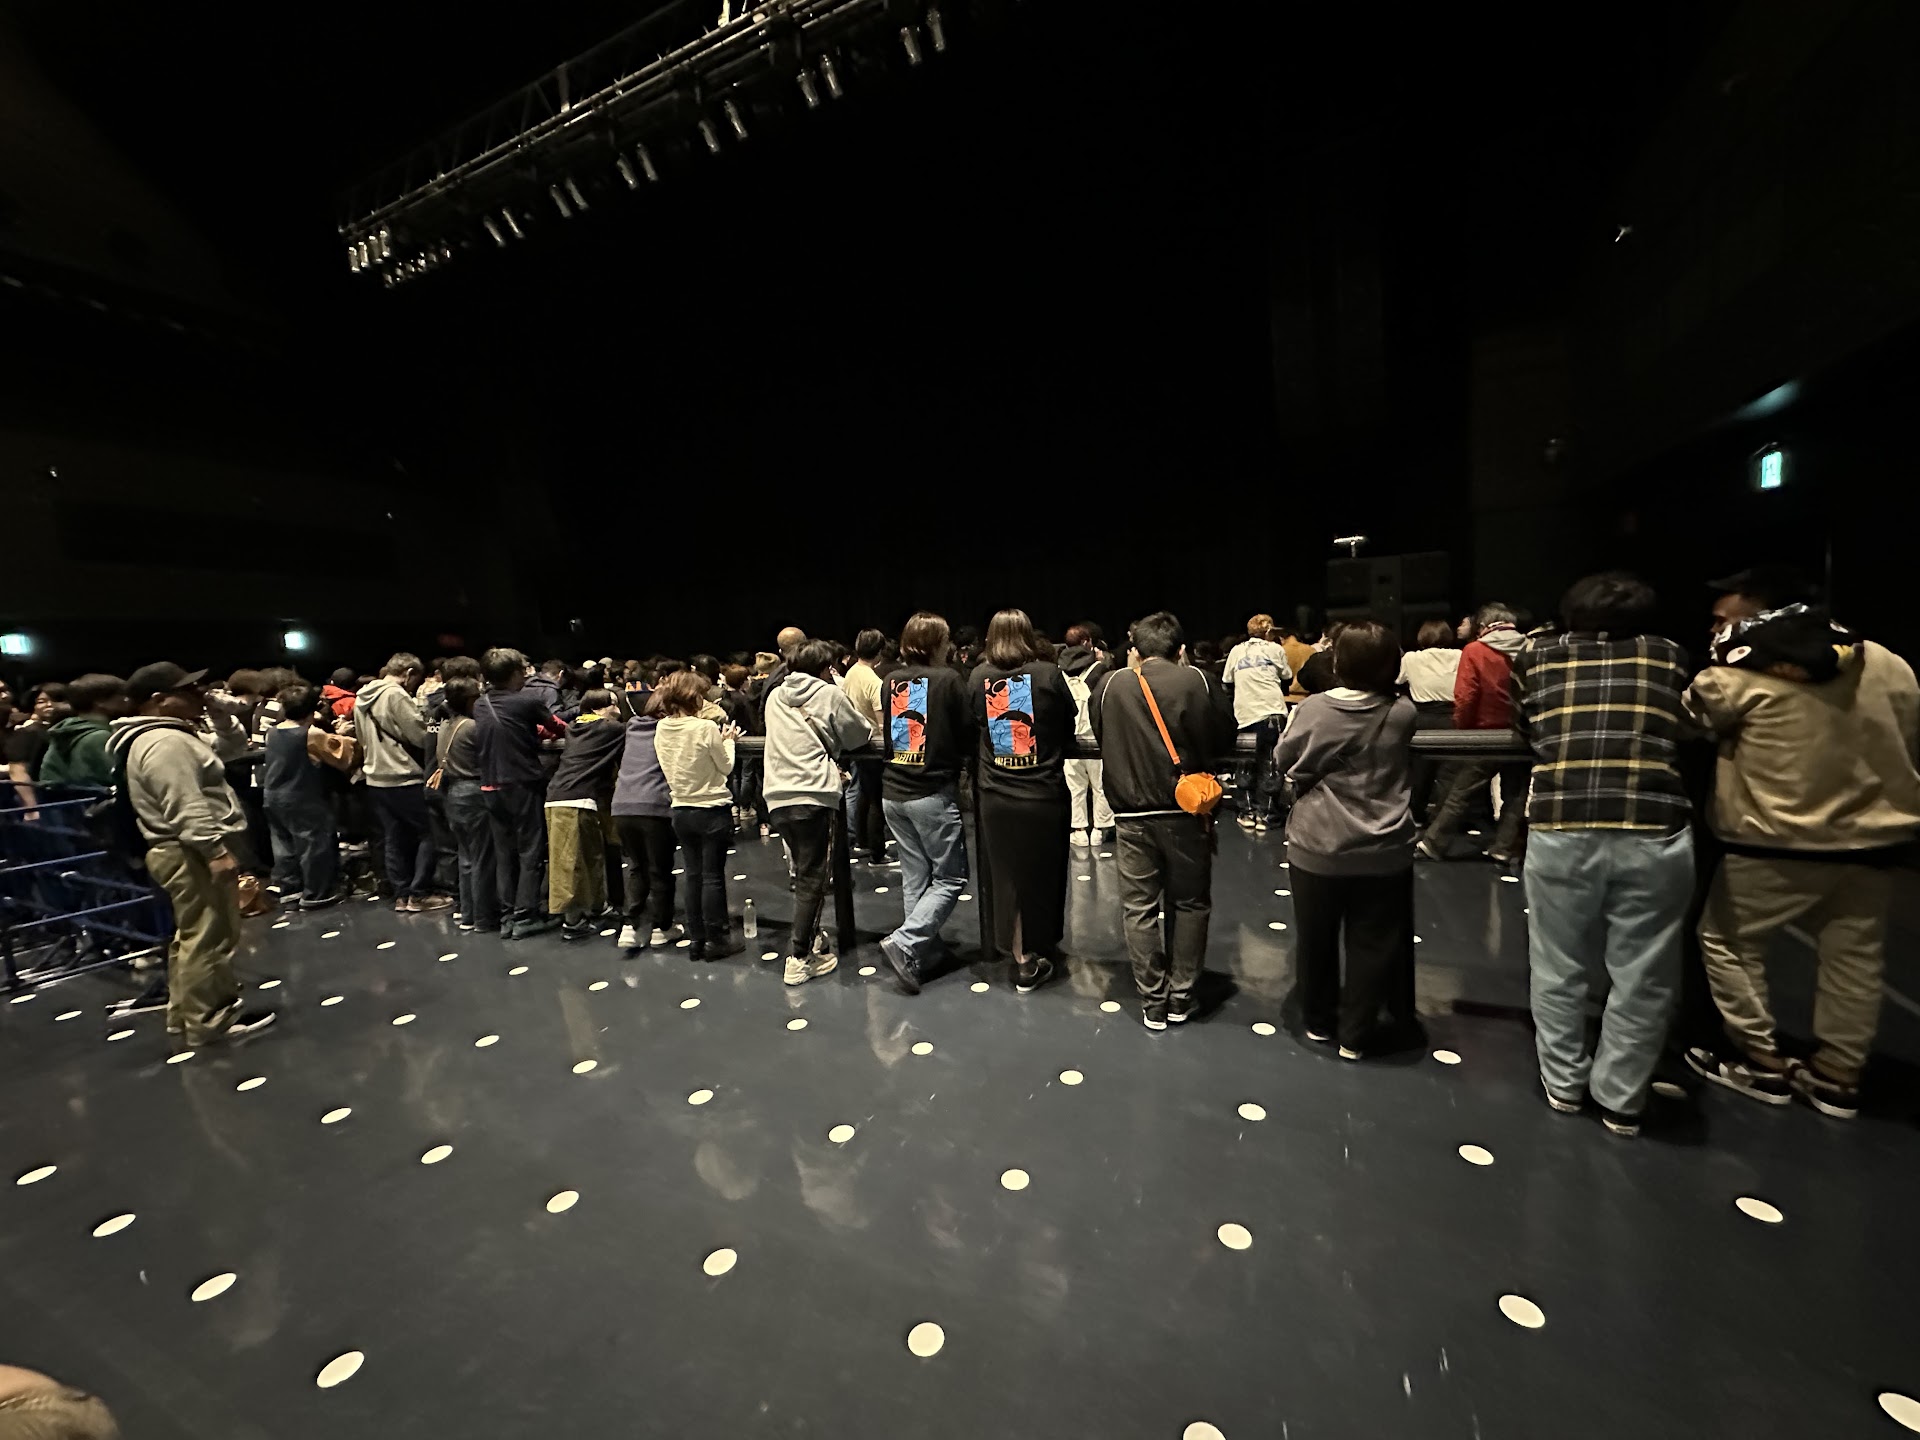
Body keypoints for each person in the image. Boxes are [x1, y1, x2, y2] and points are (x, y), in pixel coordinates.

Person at [1684, 594, 1920, 1120]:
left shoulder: (1734, 676)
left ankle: (1759, 1059)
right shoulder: (1885, 661)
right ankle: (1838, 1074)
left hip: (1773, 840)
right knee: (1854, 959)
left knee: (1728, 942)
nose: (1715, 630)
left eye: (1723, 620)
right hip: (1875, 840)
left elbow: (1686, 720)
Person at [1511, 575, 1694, 1135]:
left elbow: (1525, 722)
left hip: (1562, 821)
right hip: (1653, 824)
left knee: (1557, 963)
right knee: (1644, 973)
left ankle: (1563, 1083)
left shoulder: (1538, 656)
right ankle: (1621, 1098)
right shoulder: (1669, 655)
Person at [105, 662, 275, 1046]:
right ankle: (211, 1020)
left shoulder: (164, 735)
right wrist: (215, 852)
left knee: (193, 935)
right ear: (160, 700)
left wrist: (221, 716)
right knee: (210, 937)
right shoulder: (166, 742)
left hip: (180, 848)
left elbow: (231, 749)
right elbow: (185, 803)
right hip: (188, 850)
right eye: (188, 690)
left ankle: (186, 1015)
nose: (201, 694)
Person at [1273, 621, 1419, 1058]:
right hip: (1384, 848)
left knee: (1316, 938)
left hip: (1318, 846)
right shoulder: (1402, 712)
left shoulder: (1315, 708)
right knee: (1373, 943)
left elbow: (1284, 757)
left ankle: (1319, 1021)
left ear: (1337, 662)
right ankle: (1356, 1035)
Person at [1090, 611, 1229, 1030]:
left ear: (1135, 650)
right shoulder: (1198, 679)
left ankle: (1152, 1001)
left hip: (1131, 813)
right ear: (1181, 649)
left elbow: (1100, 731)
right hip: (1187, 810)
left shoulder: (1110, 683)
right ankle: (1181, 997)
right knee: (1190, 903)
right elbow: (1224, 734)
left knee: (1139, 908)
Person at [968, 609, 1076, 993]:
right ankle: (1040, 947)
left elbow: (974, 724)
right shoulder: (1048, 674)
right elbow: (1069, 722)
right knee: (1046, 874)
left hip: (996, 795)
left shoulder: (978, 676)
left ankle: (1020, 958)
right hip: (1043, 793)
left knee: (1007, 878)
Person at [764, 638, 873, 985]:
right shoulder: (829, 694)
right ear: (826, 668)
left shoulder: (775, 696)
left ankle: (810, 939)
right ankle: (799, 958)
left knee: (802, 874)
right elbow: (860, 735)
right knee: (813, 880)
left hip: (777, 796)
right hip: (813, 795)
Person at [877, 611, 974, 994]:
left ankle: (924, 954)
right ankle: (905, 943)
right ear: (937, 643)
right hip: (930, 792)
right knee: (951, 878)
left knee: (915, 877)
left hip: (892, 791)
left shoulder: (891, 680)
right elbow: (967, 732)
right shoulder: (948, 680)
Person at [1417, 602, 1528, 863]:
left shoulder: (1475, 650)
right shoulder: (1529, 647)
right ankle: (1504, 847)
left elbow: (1466, 695)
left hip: (1484, 734)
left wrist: (1463, 729)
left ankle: (1434, 844)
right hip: (1521, 733)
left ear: (1484, 625)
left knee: (1461, 793)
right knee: (1515, 794)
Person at [476, 647, 567, 939]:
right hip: (521, 782)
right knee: (531, 850)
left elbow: (508, 726)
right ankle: (526, 916)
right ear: (516, 673)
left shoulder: (480, 703)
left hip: (490, 785)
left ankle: (508, 917)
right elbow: (558, 727)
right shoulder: (526, 700)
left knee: (505, 853)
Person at [655, 668, 741, 960]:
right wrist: (729, 741)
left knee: (693, 876)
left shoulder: (661, 728)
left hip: (680, 809)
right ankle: (717, 939)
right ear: (692, 697)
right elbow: (725, 766)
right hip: (711, 808)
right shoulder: (704, 728)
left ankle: (696, 940)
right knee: (712, 877)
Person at [355, 653, 451, 914]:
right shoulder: (395, 695)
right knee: (428, 833)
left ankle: (402, 894)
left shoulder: (362, 696)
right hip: (403, 775)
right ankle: (419, 894)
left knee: (394, 836)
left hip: (376, 777)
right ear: (408, 673)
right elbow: (419, 735)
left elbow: (361, 738)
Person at [545, 689, 627, 940]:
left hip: (559, 796)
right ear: (599, 708)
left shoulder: (574, 728)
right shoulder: (610, 729)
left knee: (590, 857)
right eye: (613, 704)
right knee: (572, 864)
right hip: (577, 800)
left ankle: (596, 906)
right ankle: (572, 921)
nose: (618, 710)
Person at [260, 683, 342, 910]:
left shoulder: (273, 732)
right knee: (313, 845)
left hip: (273, 795)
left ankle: (290, 890)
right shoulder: (311, 734)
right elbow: (341, 757)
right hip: (301, 795)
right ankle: (317, 894)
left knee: (283, 846)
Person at [611, 692, 678, 951]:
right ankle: (662, 928)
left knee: (637, 866)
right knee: (660, 870)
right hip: (653, 805)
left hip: (621, 805)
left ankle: (630, 925)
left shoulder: (632, 728)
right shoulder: (669, 730)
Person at [435, 676, 499, 933]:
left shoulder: (445, 726)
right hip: (474, 793)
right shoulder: (473, 727)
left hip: (453, 794)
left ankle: (468, 914)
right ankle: (484, 918)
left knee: (466, 858)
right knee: (483, 858)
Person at [1223, 613, 1294, 833]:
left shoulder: (1236, 651)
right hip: (1272, 715)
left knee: (1246, 763)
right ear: (1269, 630)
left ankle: (1247, 813)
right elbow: (1287, 676)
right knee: (1271, 765)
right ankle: (1267, 815)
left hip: (1245, 717)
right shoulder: (1275, 649)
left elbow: (1227, 681)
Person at [1057, 623, 1116, 848]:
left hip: (1070, 739)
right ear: (1086, 642)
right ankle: (1100, 829)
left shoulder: (1058, 671)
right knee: (1100, 786)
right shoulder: (1100, 670)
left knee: (1075, 787)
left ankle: (1079, 830)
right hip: (1096, 737)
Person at [1398, 620, 1461, 823]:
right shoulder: (1460, 655)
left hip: (1422, 717)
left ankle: (1416, 817)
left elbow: (1396, 681)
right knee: (1450, 775)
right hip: (1452, 717)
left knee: (1420, 772)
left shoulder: (1411, 658)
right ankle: (1446, 822)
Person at [842, 629, 890, 861]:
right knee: (876, 800)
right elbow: (881, 721)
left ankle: (861, 841)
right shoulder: (873, 681)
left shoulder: (851, 672)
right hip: (873, 745)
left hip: (855, 742)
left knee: (863, 794)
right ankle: (877, 853)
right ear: (880, 651)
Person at [37, 674, 127, 792]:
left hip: (63, 802)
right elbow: (123, 781)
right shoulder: (98, 737)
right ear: (100, 702)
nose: (126, 700)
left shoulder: (66, 730)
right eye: (121, 696)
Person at [6, 682, 67, 809]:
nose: (49, 705)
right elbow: (18, 770)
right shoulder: (28, 732)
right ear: (33, 706)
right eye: (41, 701)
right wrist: (31, 807)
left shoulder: (63, 729)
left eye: (56, 700)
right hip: (43, 798)